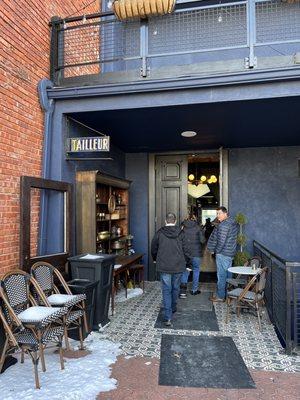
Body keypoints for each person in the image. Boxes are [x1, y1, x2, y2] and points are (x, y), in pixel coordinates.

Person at [151, 212, 191, 327]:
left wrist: (155, 259)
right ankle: (173, 307)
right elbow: (186, 250)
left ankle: (168, 317)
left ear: (165, 221)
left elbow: (153, 247)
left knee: (166, 290)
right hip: (178, 266)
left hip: (164, 266)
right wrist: (188, 263)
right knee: (175, 288)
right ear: (175, 221)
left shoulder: (159, 233)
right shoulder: (181, 233)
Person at [207, 206, 238, 302]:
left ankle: (220, 296)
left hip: (223, 254)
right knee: (228, 275)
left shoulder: (223, 225)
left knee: (221, 276)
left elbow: (221, 241)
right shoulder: (232, 223)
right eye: (217, 214)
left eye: (219, 213)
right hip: (229, 253)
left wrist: (216, 251)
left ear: (225, 213)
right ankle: (229, 295)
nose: (218, 216)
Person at [179, 214, 206, 298]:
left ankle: (182, 293)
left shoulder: (182, 227)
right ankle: (194, 290)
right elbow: (202, 241)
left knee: (185, 271)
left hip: (185, 253)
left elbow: (179, 240)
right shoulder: (198, 228)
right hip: (196, 253)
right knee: (196, 270)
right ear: (195, 219)